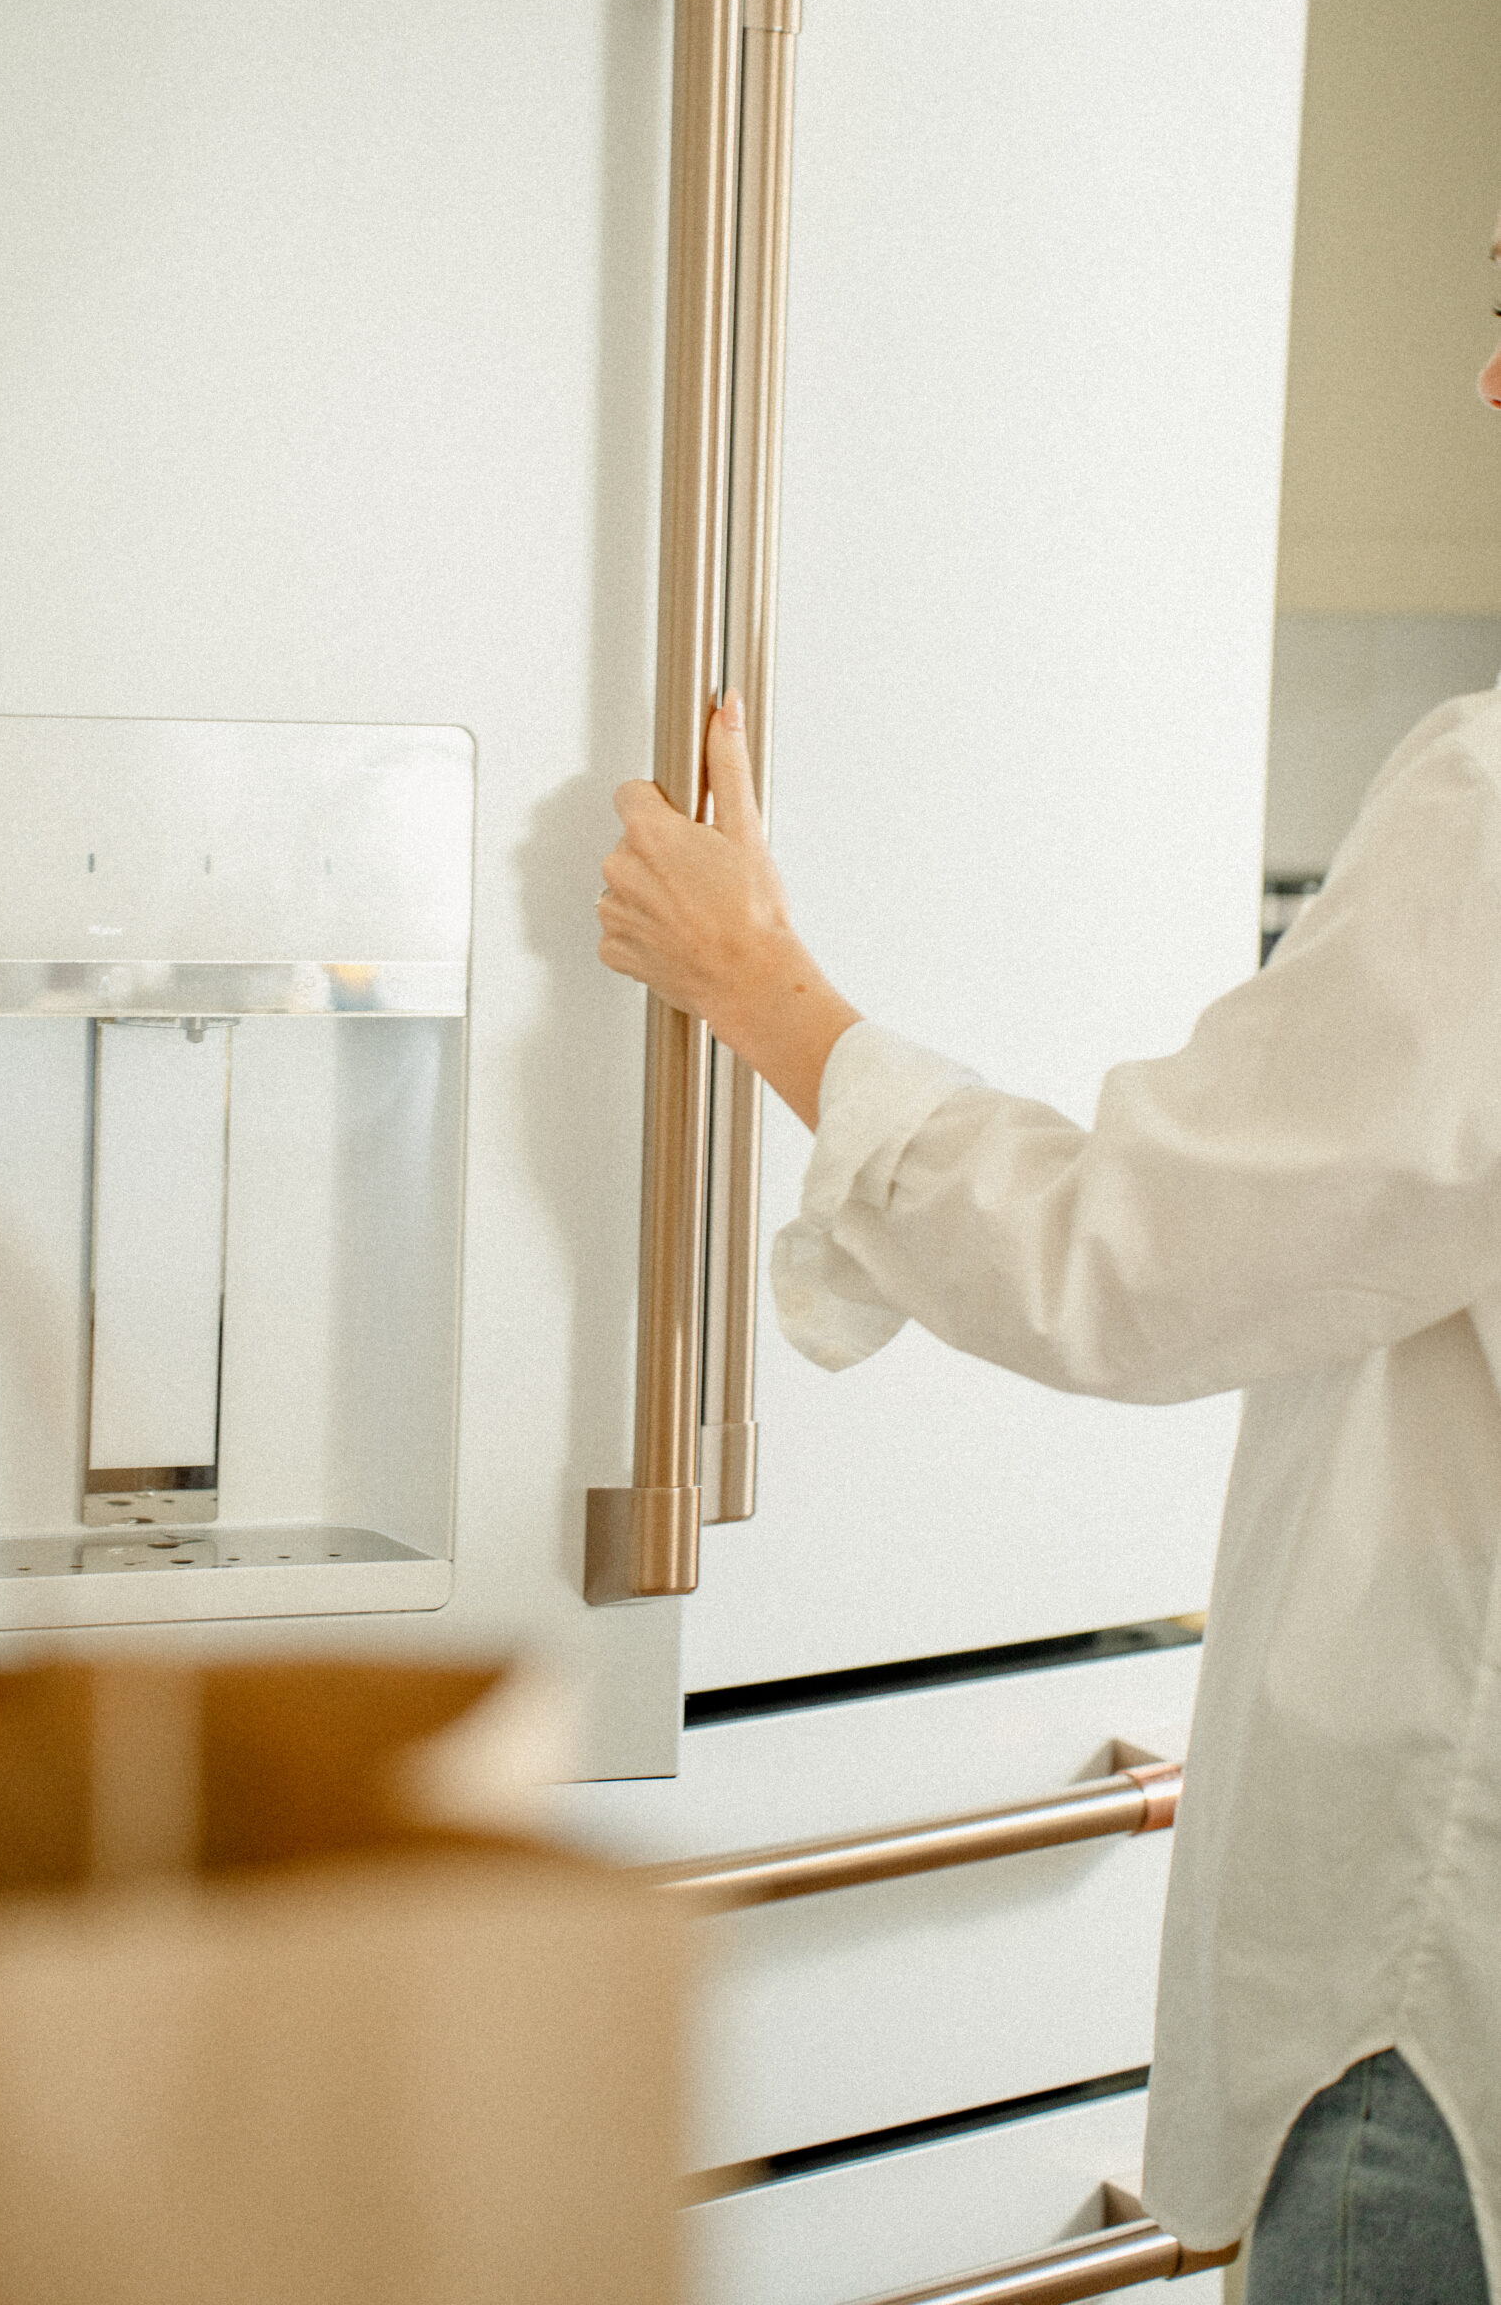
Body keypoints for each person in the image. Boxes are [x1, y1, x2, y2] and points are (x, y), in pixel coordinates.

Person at [595, 238, 1501, 2303]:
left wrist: (761, 987)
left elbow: (1137, 1257)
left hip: (1443, 1979)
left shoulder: (1492, 791)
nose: (1474, 383)